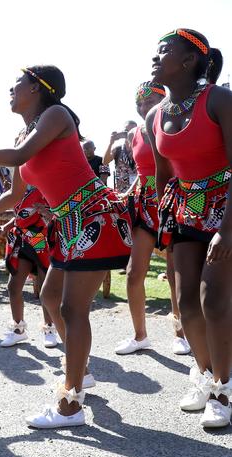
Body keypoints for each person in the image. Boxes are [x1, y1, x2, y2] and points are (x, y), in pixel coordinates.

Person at [0, 65, 132, 428]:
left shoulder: (56, 116)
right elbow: (15, 195)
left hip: (93, 216)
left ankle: (71, 403)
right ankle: (82, 370)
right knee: (49, 298)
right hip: (70, 222)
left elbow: (18, 158)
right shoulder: (24, 136)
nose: (10, 90)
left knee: (71, 308)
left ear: (37, 88)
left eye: (17, 85)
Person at [148, 28, 231, 428]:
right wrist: (167, 223)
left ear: (188, 60)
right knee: (185, 304)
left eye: (164, 51)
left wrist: (228, 230)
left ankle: (222, 387)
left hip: (226, 208)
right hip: (185, 211)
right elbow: (164, 176)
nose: (154, 57)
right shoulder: (155, 115)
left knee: (213, 299)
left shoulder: (219, 100)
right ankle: (204, 372)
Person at [114, 82, 189, 356]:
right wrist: (124, 194)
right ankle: (139, 335)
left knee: (173, 274)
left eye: (149, 101)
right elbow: (142, 173)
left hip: (171, 204)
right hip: (145, 205)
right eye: (139, 103)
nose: (143, 107)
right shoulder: (133, 133)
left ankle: (181, 333)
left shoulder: (174, 125)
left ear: (164, 99)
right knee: (135, 272)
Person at [0, 184, 58, 348]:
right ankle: (18, 330)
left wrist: (47, 213)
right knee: (13, 286)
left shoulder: (46, 183)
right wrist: (7, 226)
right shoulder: (18, 187)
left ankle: (49, 329)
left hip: (41, 241)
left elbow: (60, 215)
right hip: (22, 239)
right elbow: (19, 216)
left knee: (45, 288)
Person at [103, 121, 138, 193]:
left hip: (139, 190)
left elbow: (150, 169)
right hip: (122, 192)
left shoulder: (141, 149)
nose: (128, 133)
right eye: (126, 131)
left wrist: (151, 187)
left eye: (132, 130)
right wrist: (110, 143)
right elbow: (105, 161)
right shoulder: (118, 149)